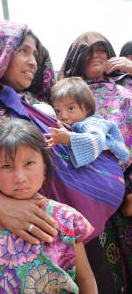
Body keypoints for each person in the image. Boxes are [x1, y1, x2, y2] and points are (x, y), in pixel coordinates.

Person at [0, 22, 126, 293]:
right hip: (8, 236)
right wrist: (2, 206)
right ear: (0, 55)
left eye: (35, 53)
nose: (33, 60)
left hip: (66, 230)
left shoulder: (42, 106)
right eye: (23, 51)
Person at [0, 118, 98, 294]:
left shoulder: (67, 219)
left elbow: (85, 279)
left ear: (44, 166)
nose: (20, 177)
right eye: (7, 166)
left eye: (29, 163)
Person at [57, 31, 132, 294]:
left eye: (101, 50)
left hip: (127, 193)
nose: (96, 56)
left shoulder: (126, 90)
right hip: (84, 197)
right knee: (102, 269)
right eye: (89, 52)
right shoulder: (64, 94)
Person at [44, 76, 129, 168]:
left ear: (87, 108)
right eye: (57, 111)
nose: (63, 116)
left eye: (71, 108)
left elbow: (97, 139)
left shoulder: (92, 123)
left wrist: (70, 139)